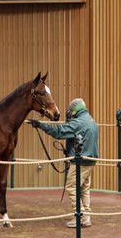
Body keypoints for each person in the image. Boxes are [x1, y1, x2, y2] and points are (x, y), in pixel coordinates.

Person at [27, 98, 99, 228]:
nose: (69, 112)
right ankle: (86, 217)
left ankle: (79, 215)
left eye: (71, 110)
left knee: (71, 187)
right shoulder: (91, 120)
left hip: (80, 162)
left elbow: (59, 132)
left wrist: (40, 125)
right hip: (90, 161)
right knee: (84, 189)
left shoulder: (78, 122)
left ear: (75, 110)